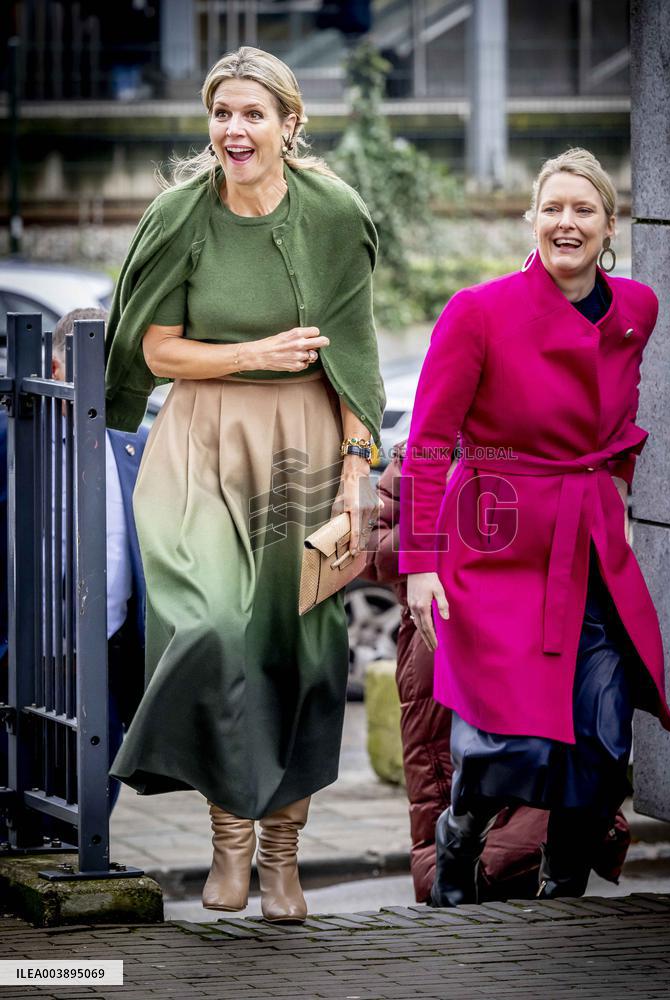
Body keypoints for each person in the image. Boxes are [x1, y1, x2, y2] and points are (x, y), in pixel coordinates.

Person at [104, 46, 384, 922]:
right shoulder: (180, 215)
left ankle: (281, 860)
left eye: (253, 114)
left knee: (296, 654)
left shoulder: (334, 214)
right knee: (215, 633)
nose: (234, 129)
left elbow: (356, 358)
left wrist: (357, 473)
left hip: (304, 442)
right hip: (197, 442)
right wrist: (251, 356)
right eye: (222, 113)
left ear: (288, 123)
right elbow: (153, 350)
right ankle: (227, 840)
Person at [399, 148, 670, 906]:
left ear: (608, 225)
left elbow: (621, 424)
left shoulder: (636, 310)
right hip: (494, 537)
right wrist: (420, 564)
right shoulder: (479, 311)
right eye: (552, 207)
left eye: (583, 209)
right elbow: (428, 444)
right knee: (509, 737)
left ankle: (563, 902)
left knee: (600, 733)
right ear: (531, 218)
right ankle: (459, 839)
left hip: (589, 544)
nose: (566, 222)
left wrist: (615, 492)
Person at [363, 440, 631, 902]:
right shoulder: (419, 458)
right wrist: (444, 532)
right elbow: (368, 548)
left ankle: (539, 896)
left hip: (523, 639)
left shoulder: (540, 454)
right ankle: (457, 897)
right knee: (446, 782)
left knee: (536, 777)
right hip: (436, 647)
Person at [50, 308, 148, 814]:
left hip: (108, 651)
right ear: (56, 368)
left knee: (94, 791)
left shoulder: (136, 442)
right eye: (90, 365)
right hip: (34, 655)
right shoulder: (20, 437)